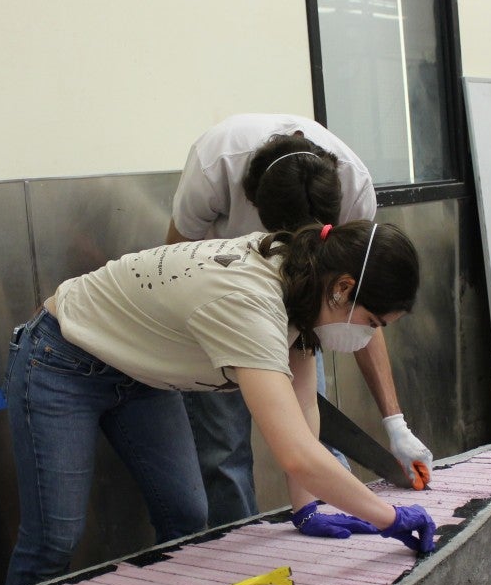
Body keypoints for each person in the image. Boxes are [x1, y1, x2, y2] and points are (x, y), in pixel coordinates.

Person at [2, 220, 437, 585]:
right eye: (372, 324)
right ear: (343, 289)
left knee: (187, 515)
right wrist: (390, 518)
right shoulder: (248, 301)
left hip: (140, 375)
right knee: (54, 539)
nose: (367, 336)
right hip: (62, 361)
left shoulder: (305, 278)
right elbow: (295, 454)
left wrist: (306, 509)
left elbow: (304, 410)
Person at [166, 113, 432, 526]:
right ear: (254, 206)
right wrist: (390, 520)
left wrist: (394, 422)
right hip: (216, 321)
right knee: (224, 455)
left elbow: (366, 308)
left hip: (294, 313)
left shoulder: (354, 187)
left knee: (315, 434)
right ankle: (242, 559)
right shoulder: (214, 164)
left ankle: (328, 520)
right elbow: (174, 266)